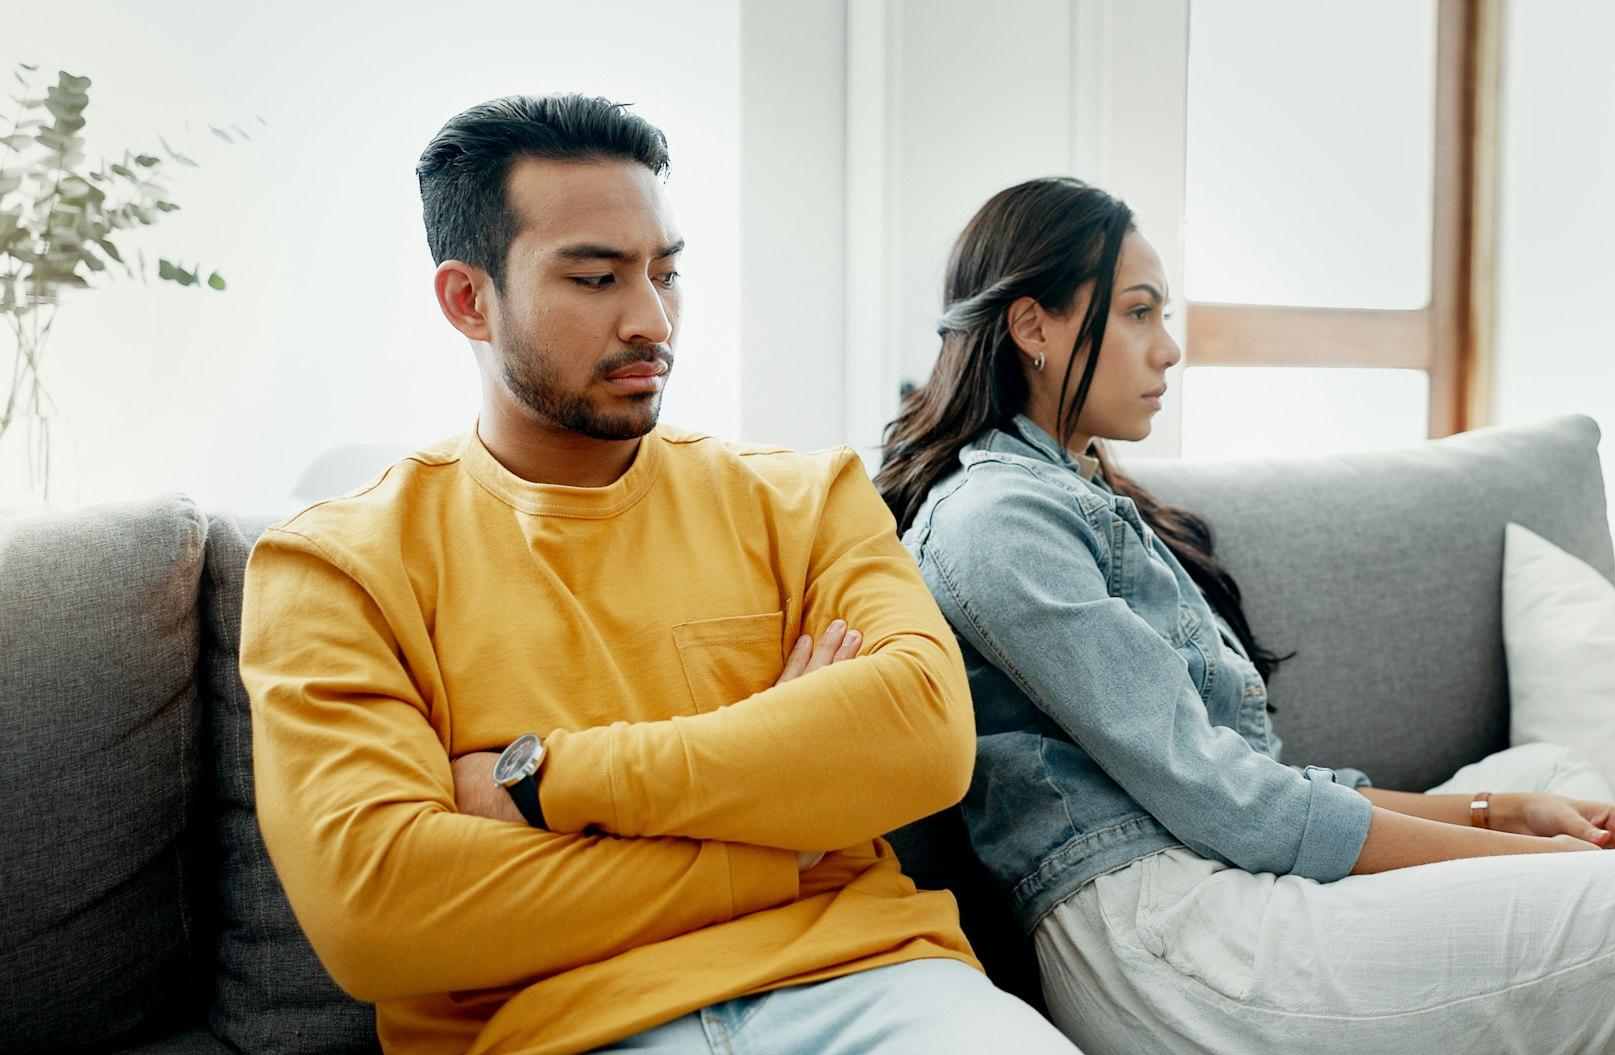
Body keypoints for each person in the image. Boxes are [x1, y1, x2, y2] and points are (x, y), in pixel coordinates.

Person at [877, 175, 1615, 1054]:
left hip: (1211, 888)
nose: (1169, 347)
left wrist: (1504, 815)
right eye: (1138, 312)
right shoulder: (999, 522)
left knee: (1544, 775)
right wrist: (1534, 863)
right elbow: (1241, 807)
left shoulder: (1079, 493)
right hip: (1176, 946)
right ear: (1032, 326)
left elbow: (1257, 789)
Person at [240, 95, 1078, 1055]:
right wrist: (774, 838)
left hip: (874, 985)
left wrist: (541, 781)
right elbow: (378, 909)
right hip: (559, 1028)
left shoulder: (805, 498)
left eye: (666, 273)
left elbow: (924, 736)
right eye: (596, 278)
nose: (651, 319)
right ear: (469, 299)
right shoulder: (335, 566)